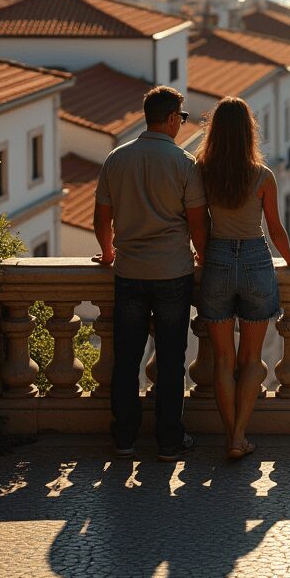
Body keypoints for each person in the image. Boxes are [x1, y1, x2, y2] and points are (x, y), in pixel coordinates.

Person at [196, 96, 290, 459]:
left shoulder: (202, 171)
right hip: (255, 261)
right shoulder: (263, 176)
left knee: (222, 361)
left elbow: (197, 223)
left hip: (216, 258)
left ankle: (228, 434)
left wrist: (203, 256)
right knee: (251, 360)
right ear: (249, 132)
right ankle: (238, 438)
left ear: (214, 131)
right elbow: (275, 229)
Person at [92, 86, 208, 461]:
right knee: (172, 359)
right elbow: (197, 225)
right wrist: (203, 258)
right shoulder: (184, 163)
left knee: (126, 357)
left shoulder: (116, 159)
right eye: (183, 117)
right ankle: (169, 440)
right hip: (173, 273)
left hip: (129, 272)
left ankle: (124, 437)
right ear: (173, 119)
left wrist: (109, 252)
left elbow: (101, 219)